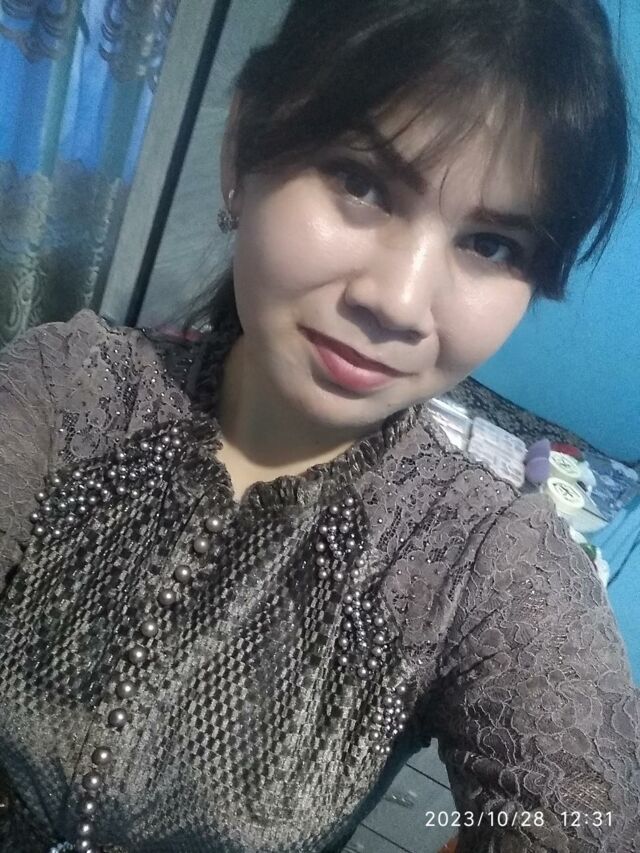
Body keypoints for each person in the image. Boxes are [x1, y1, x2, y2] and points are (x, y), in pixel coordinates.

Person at [0, 0, 638, 851]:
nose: (398, 302)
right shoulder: (67, 390)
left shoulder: (477, 561)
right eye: (359, 181)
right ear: (243, 147)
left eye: (492, 244)